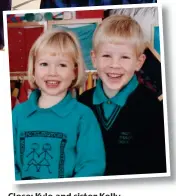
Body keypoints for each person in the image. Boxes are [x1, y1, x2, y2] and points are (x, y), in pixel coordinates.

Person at [78, 15, 166, 175]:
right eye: (106, 56)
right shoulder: (81, 104)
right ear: (94, 58)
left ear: (139, 62)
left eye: (124, 57)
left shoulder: (153, 108)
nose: (114, 65)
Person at [12, 30, 105, 180]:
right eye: (44, 64)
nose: (52, 72)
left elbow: (91, 166)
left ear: (74, 72)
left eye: (62, 65)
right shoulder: (17, 114)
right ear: (33, 70)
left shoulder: (83, 116)